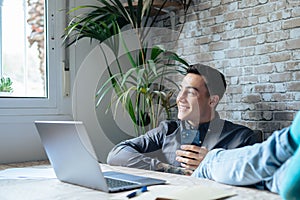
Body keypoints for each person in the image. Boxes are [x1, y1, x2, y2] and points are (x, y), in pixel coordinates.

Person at [107, 64, 262, 175]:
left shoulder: (242, 138)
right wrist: (169, 169)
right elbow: (117, 154)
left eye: (191, 93)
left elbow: (258, 176)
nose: (179, 98)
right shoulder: (167, 130)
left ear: (212, 101)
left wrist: (213, 163)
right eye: (181, 90)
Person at [192, 111, 300, 199]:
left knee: (208, 163)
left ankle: (282, 173)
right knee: (209, 163)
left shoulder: (241, 135)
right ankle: (286, 143)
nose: (180, 98)